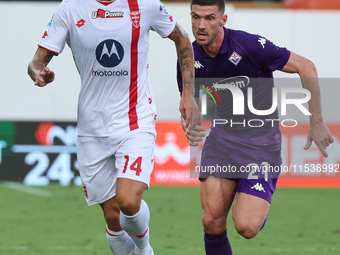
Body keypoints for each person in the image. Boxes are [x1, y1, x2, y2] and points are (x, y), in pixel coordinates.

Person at [28, 0, 200, 254]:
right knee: (113, 217)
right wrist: (38, 72)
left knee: (129, 201)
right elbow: (36, 61)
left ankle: (144, 249)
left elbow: (183, 38)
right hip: (92, 127)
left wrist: (188, 94)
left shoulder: (145, 5)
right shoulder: (71, 8)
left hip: (135, 120)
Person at [177, 0, 334, 254]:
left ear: (223, 20)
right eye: (195, 17)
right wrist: (192, 121)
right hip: (222, 143)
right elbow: (194, 103)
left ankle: (254, 205)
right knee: (211, 220)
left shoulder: (249, 46)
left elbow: (306, 67)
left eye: (209, 18)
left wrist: (315, 121)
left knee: (247, 226)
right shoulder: (189, 60)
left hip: (261, 146)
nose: (200, 25)